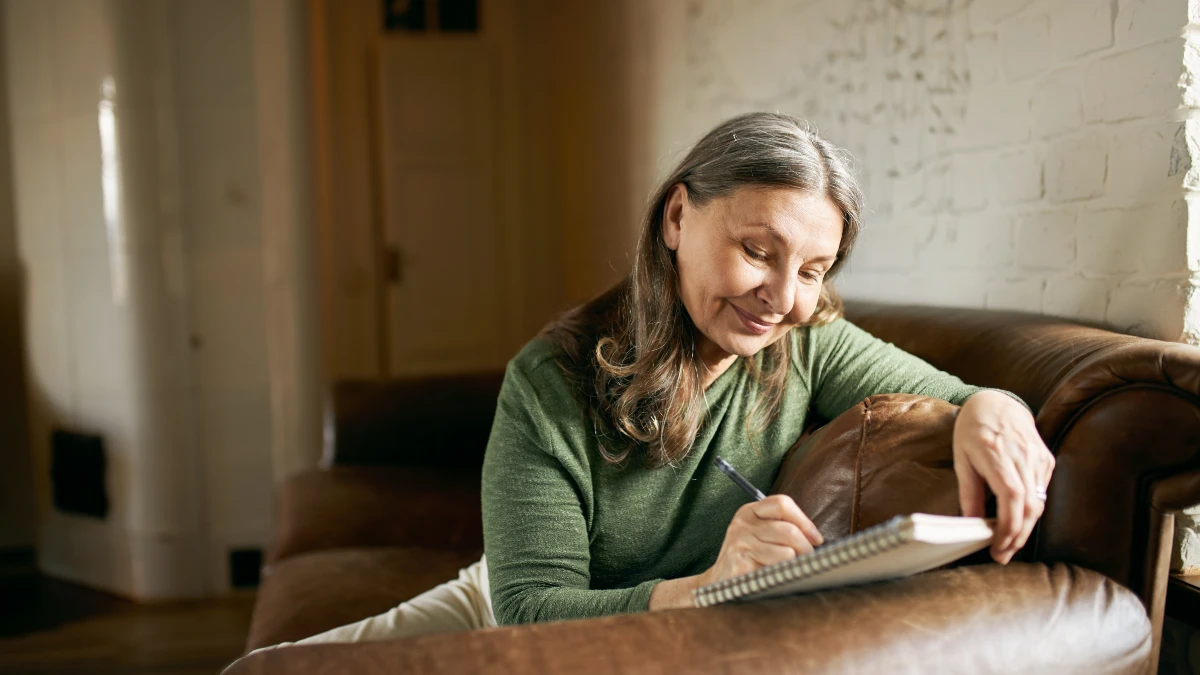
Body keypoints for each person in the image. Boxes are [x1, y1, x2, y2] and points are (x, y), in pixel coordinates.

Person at [256, 112, 1054, 648]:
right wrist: (708, 586)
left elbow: (954, 392)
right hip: (506, 605)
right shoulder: (551, 380)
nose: (783, 298)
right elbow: (530, 608)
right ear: (677, 218)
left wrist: (994, 408)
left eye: (812, 269)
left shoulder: (806, 341)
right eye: (757, 250)